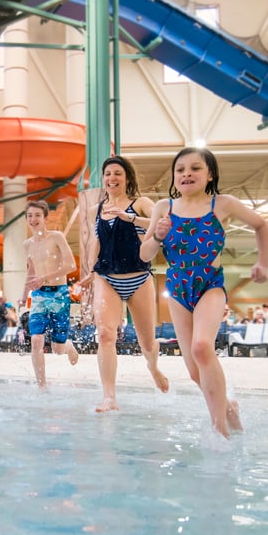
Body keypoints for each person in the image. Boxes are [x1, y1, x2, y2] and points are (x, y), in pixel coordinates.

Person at [139, 147, 268, 439]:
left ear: (210, 174)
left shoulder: (222, 204)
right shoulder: (164, 207)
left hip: (210, 283)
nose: (187, 173)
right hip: (177, 287)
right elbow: (145, 255)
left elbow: (261, 225)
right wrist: (158, 236)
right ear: (174, 176)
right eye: (180, 169)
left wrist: (263, 262)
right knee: (194, 371)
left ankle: (218, 429)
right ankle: (228, 406)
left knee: (201, 348)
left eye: (195, 168)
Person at [79, 156, 169, 412]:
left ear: (126, 177)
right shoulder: (99, 208)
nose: (111, 178)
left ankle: (153, 367)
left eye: (117, 173)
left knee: (147, 343)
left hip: (138, 278)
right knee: (105, 334)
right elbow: (97, 240)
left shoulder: (141, 203)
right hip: (106, 277)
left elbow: (160, 225)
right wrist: (90, 269)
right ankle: (109, 397)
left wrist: (129, 218)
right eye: (108, 174)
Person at [19, 200, 80, 388]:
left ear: (45, 218)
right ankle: (42, 387)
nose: (33, 219)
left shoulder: (56, 237)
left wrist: (43, 278)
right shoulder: (27, 244)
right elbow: (31, 271)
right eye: (29, 216)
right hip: (38, 296)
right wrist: (24, 294)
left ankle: (67, 346)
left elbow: (71, 266)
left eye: (37, 215)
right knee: (36, 340)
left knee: (57, 348)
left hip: (59, 295)